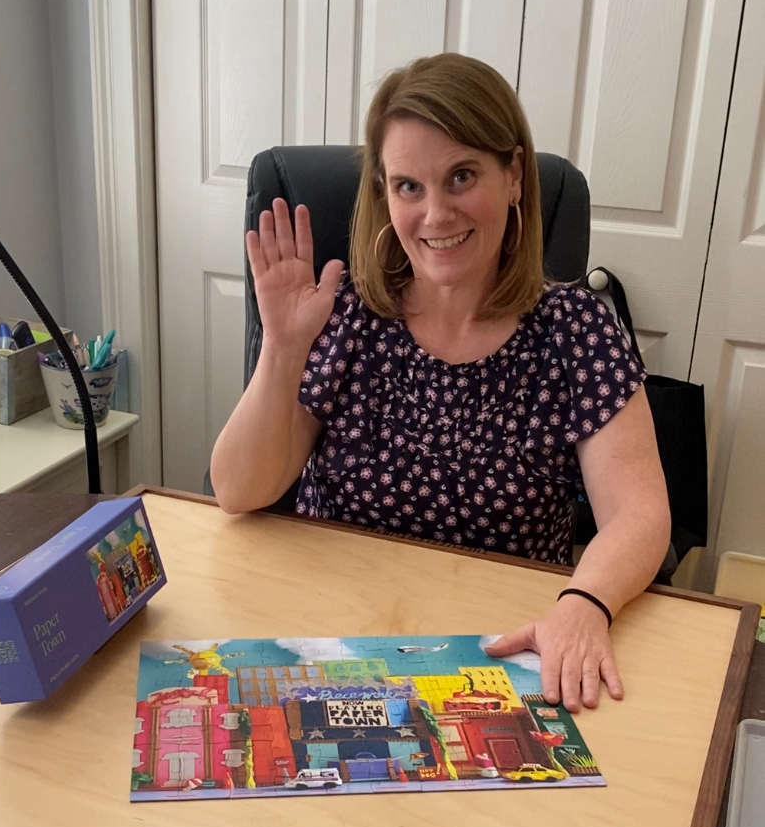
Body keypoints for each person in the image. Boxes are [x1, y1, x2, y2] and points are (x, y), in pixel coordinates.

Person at [210, 53, 670, 713]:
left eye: (461, 176)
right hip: (338, 649)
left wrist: (584, 601)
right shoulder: (348, 314)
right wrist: (282, 347)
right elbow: (237, 489)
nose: (435, 215)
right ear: (383, 194)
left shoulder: (575, 330)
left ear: (514, 176)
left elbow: (640, 514)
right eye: (408, 187)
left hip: (497, 660)